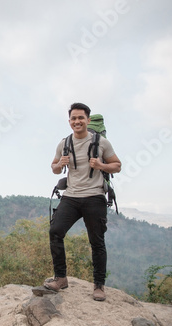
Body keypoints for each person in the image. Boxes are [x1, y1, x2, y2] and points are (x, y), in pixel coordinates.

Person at [44, 102, 122, 301]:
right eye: (73, 118)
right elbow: (53, 168)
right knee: (55, 231)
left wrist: (101, 165)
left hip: (94, 196)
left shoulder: (101, 142)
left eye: (81, 118)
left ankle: (99, 286)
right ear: (69, 121)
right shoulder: (64, 143)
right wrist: (59, 164)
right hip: (71, 196)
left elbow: (117, 166)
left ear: (88, 120)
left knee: (96, 241)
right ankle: (61, 278)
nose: (77, 121)